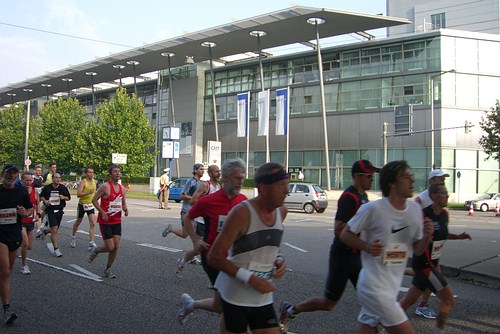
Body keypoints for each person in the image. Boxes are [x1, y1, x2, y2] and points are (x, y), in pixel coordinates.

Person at [279, 160, 380, 333]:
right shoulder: (350, 197)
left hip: (357, 256)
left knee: (370, 299)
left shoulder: (364, 196)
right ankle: (290, 310)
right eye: (369, 176)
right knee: (328, 303)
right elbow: (338, 229)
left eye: (373, 176)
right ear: (357, 176)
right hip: (343, 257)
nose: (372, 179)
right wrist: (364, 240)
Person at [340, 160, 434, 334]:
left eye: (411, 176)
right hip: (373, 288)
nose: (412, 180)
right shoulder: (372, 209)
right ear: (391, 183)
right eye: (406, 177)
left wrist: (426, 237)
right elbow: (344, 233)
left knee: (368, 329)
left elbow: (418, 250)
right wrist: (367, 246)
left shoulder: (414, 210)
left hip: (390, 287)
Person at [208, 162, 289, 334]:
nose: (287, 191)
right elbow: (214, 256)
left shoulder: (282, 211)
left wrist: (279, 258)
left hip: (262, 297)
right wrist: (251, 279)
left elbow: (269, 242)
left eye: (287, 185)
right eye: (281, 186)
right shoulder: (242, 213)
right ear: (263, 188)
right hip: (236, 296)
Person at [177, 159, 246, 325]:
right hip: (213, 258)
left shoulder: (244, 201)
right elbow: (188, 217)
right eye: (237, 178)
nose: (241, 182)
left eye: (243, 178)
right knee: (231, 306)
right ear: (227, 178)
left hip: (236, 259)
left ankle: (191, 304)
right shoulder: (209, 201)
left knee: (221, 304)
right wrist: (195, 240)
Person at [400, 183, 471, 334]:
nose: (447, 196)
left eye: (447, 193)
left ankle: (380, 326)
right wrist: (424, 238)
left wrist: (459, 237)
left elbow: (443, 234)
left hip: (432, 263)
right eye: (443, 193)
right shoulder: (423, 215)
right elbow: (412, 237)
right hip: (424, 265)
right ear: (433, 196)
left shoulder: (444, 214)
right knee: (449, 300)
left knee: (408, 301)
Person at [412, 168, 449, 319]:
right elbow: (413, 219)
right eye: (440, 178)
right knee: (447, 296)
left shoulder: (441, 198)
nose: (443, 181)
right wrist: (424, 235)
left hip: (435, 250)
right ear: (431, 181)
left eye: (444, 179)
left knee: (413, 292)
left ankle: (391, 317)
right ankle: (423, 305)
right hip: (424, 249)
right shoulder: (421, 199)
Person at [173, 164, 222, 276]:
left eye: (219, 171)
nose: (218, 173)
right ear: (210, 174)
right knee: (198, 249)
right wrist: (207, 205)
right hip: (201, 222)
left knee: (217, 248)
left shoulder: (219, 186)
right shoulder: (205, 185)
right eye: (216, 171)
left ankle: (215, 277)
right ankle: (183, 261)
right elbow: (193, 201)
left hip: (213, 222)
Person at [0, 164, 33, 324]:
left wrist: (24, 213)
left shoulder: (21, 192)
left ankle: (4, 299)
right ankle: (7, 309)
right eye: (9, 173)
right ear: (3, 174)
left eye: (14, 173)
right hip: (0, 236)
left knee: (6, 273)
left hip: (14, 234)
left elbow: (30, 209)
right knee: (5, 271)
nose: (11, 176)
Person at [161, 163, 205, 272]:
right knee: (192, 234)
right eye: (200, 169)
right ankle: (193, 256)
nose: (202, 171)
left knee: (185, 234)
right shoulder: (191, 182)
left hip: (196, 212)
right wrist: (193, 198)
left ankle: (171, 229)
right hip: (187, 211)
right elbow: (182, 195)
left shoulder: (202, 183)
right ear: (195, 170)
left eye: (203, 169)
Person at [88, 164, 129, 279]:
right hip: (105, 221)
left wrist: (125, 209)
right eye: (115, 171)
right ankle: (97, 250)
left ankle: (108, 269)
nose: (117, 173)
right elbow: (94, 200)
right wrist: (102, 211)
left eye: (119, 171)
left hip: (116, 221)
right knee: (110, 247)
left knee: (116, 247)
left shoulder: (122, 188)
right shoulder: (105, 186)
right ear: (110, 174)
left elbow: (123, 202)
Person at [39, 172, 71, 257]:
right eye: (56, 178)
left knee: (55, 229)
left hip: (59, 210)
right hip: (50, 211)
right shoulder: (47, 188)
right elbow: (41, 196)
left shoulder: (63, 188)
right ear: (53, 179)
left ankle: (46, 231)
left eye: (59, 178)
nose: (58, 179)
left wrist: (63, 197)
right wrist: (45, 201)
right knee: (54, 229)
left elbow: (68, 198)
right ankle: (56, 249)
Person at [70, 167, 97, 250]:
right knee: (78, 221)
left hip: (90, 205)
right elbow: (78, 194)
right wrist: (88, 192)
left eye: (92, 172)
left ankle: (91, 242)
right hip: (82, 205)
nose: (91, 174)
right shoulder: (83, 182)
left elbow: (95, 193)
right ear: (86, 173)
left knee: (92, 223)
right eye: (89, 172)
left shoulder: (95, 182)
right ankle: (73, 237)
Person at [20, 171, 40, 275]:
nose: (28, 182)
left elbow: (37, 204)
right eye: (26, 180)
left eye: (30, 180)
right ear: (22, 181)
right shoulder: (19, 191)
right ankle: (24, 266)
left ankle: (17, 242)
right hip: (21, 221)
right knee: (25, 243)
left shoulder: (35, 191)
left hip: (31, 221)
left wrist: (38, 214)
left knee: (30, 246)